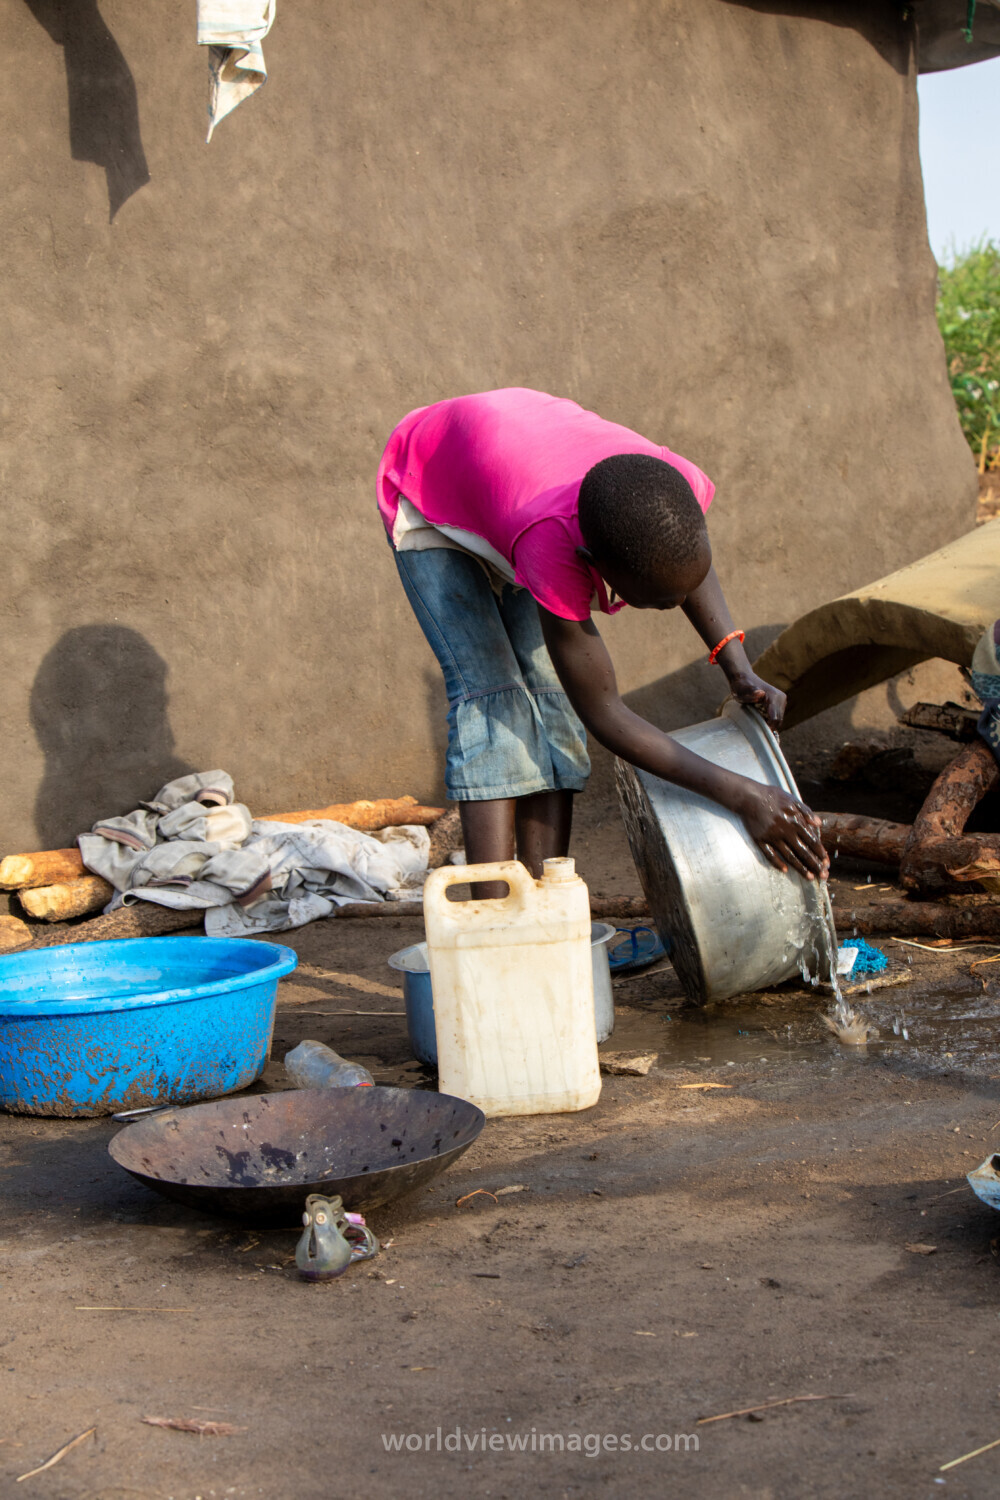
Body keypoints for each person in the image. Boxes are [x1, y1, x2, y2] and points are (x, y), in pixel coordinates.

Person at [377, 387, 828, 891]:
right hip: (430, 487)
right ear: (590, 565)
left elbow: (689, 566)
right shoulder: (550, 542)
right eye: (657, 601)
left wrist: (737, 665)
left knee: (550, 696)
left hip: (509, 469)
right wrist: (743, 795)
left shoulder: (673, 485)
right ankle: (494, 908)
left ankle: (549, 894)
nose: (676, 607)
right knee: (492, 696)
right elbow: (605, 713)